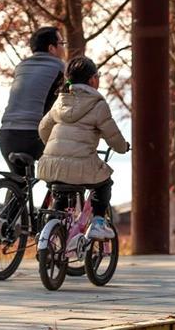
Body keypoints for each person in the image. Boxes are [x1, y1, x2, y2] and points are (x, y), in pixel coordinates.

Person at [37, 56, 129, 239]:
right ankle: (98, 223)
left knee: (62, 193)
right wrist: (123, 147)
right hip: (81, 166)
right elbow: (113, 136)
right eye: (98, 75)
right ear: (92, 79)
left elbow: (43, 128)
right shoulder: (97, 104)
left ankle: (52, 237)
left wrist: (55, 148)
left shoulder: (60, 101)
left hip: (48, 165)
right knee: (104, 184)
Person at [0, 27, 66, 173]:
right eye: (62, 43)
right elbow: (67, 102)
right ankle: (57, 194)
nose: (64, 47)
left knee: (20, 185)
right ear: (52, 48)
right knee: (63, 170)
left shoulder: (21, 66)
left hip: (6, 136)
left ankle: (16, 193)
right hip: (33, 136)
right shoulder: (60, 67)